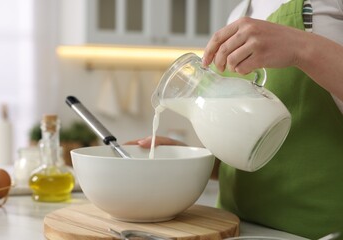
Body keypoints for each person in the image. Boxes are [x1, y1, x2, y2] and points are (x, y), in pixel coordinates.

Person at [126, 0, 343, 238]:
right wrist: (189, 159)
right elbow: (250, 154)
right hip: (234, 229)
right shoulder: (237, 15)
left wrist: (301, 48)